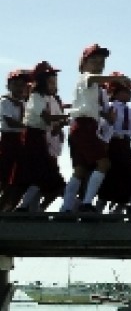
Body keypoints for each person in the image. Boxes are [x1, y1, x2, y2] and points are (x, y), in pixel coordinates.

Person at [61, 44, 131, 213]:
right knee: (104, 163)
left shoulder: (96, 89)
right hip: (83, 125)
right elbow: (92, 78)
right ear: (84, 64)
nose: (99, 64)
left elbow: (95, 107)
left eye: (102, 61)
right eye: (94, 60)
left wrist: (107, 116)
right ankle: (86, 203)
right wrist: (115, 79)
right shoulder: (85, 78)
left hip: (85, 125)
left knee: (80, 169)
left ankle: (66, 207)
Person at [11, 61, 68, 212]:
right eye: (51, 82)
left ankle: (28, 208)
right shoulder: (36, 96)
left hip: (40, 137)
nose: (54, 85)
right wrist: (67, 116)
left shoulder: (45, 98)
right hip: (32, 137)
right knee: (41, 174)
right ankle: (24, 207)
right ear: (42, 82)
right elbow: (47, 118)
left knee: (41, 176)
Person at [97, 73, 131, 214]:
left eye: (130, 91)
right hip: (112, 144)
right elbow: (104, 125)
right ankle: (98, 209)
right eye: (126, 91)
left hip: (125, 146)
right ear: (115, 93)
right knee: (110, 177)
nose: (130, 94)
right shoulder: (110, 108)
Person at [0, 70, 31, 210]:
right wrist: (28, 127)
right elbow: (10, 122)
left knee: (18, 178)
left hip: (22, 143)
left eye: (23, 85)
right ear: (9, 86)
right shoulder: (5, 102)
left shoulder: (25, 104)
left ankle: (8, 206)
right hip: (9, 141)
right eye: (16, 84)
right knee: (5, 176)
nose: (20, 88)